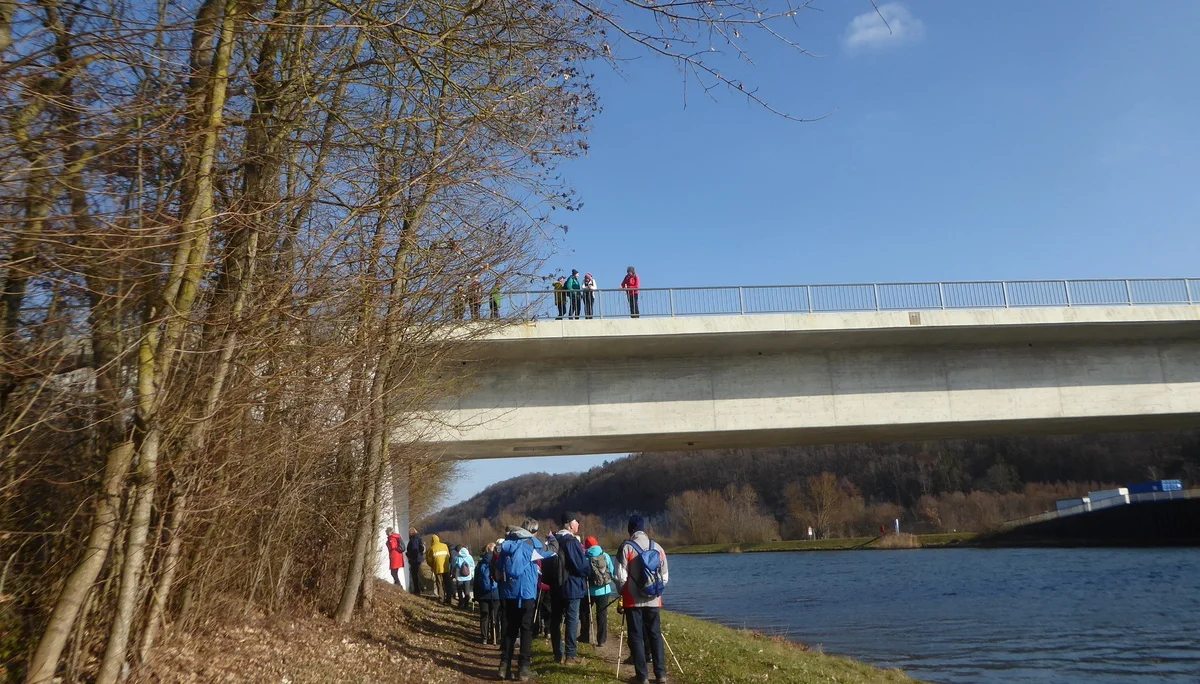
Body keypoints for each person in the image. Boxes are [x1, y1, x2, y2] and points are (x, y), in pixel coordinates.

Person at [615, 515, 669, 684]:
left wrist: (623, 592)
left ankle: (642, 676)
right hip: (654, 600)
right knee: (655, 635)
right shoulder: (657, 547)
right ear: (644, 529)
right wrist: (655, 591)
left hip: (633, 601)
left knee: (636, 637)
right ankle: (661, 675)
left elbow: (619, 576)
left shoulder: (626, 547)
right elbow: (665, 577)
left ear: (630, 530)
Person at [498, 518, 543, 682]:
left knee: (510, 629)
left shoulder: (507, 546)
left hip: (510, 593)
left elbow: (497, 573)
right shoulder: (534, 545)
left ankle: (504, 665)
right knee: (526, 630)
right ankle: (523, 669)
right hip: (527, 593)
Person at [546, 512, 589, 665]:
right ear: (570, 524)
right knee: (571, 620)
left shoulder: (553, 540)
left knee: (555, 620)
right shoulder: (571, 542)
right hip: (572, 586)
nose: (578, 525)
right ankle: (570, 655)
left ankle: (558, 654)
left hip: (555, 585)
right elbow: (580, 566)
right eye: (577, 522)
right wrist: (588, 570)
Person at [584, 536, 615, 647]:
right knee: (602, 614)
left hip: (589, 591)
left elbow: (584, 573)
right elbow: (611, 571)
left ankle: (584, 636)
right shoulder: (605, 555)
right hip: (605, 590)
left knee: (585, 613)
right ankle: (601, 640)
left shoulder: (586, 557)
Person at [474, 543, 502, 645]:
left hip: (482, 594)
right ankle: (495, 637)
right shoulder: (498, 561)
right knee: (495, 616)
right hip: (495, 593)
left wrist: (476, 596)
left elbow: (476, 580)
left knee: (484, 616)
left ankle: (484, 637)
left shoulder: (480, 564)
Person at [427, 534, 451, 603]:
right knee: (447, 583)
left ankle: (441, 599)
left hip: (437, 568)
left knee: (439, 583)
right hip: (445, 567)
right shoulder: (445, 546)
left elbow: (429, 560)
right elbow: (448, 556)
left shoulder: (432, 548)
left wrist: (433, 566)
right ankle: (449, 598)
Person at [452, 545, 475, 609]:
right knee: (467, 591)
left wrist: (452, 573)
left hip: (459, 577)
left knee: (459, 590)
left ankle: (461, 603)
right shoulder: (470, 557)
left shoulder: (456, 557)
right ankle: (466, 604)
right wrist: (472, 574)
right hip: (468, 577)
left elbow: (453, 566)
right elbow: (473, 566)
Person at [406, 527, 426, 595]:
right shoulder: (419, 539)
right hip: (419, 558)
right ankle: (422, 587)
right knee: (419, 574)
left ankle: (417, 590)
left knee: (415, 575)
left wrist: (408, 555)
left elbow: (414, 550)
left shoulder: (413, 540)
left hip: (414, 560)